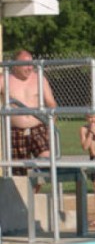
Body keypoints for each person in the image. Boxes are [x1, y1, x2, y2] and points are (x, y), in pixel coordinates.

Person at [0, 50, 57, 186]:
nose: (29, 68)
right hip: (15, 130)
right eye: (25, 64)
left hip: (38, 127)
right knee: (19, 172)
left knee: (46, 161)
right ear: (15, 65)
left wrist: (51, 126)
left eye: (31, 64)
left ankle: (35, 190)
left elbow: (51, 104)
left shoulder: (39, 79)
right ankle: (25, 200)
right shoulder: (4, 79)